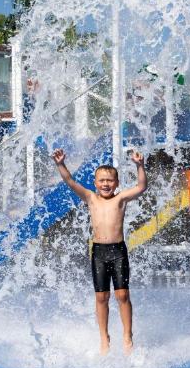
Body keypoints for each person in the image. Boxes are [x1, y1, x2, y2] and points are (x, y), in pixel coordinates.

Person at [52, 148, 146, 355]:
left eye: (110, 181)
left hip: (118, 251)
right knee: (101, 297)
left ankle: (127, 335)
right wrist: (60, 164)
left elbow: (141, 186)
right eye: (101, 181)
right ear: (95, 183)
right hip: (99, 254)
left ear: (117, 183)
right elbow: (70, 181)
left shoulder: (120, 199)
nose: (105, 184)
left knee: (122, 295)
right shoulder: (90, 198)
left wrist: (139, 165)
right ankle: (104, 337)